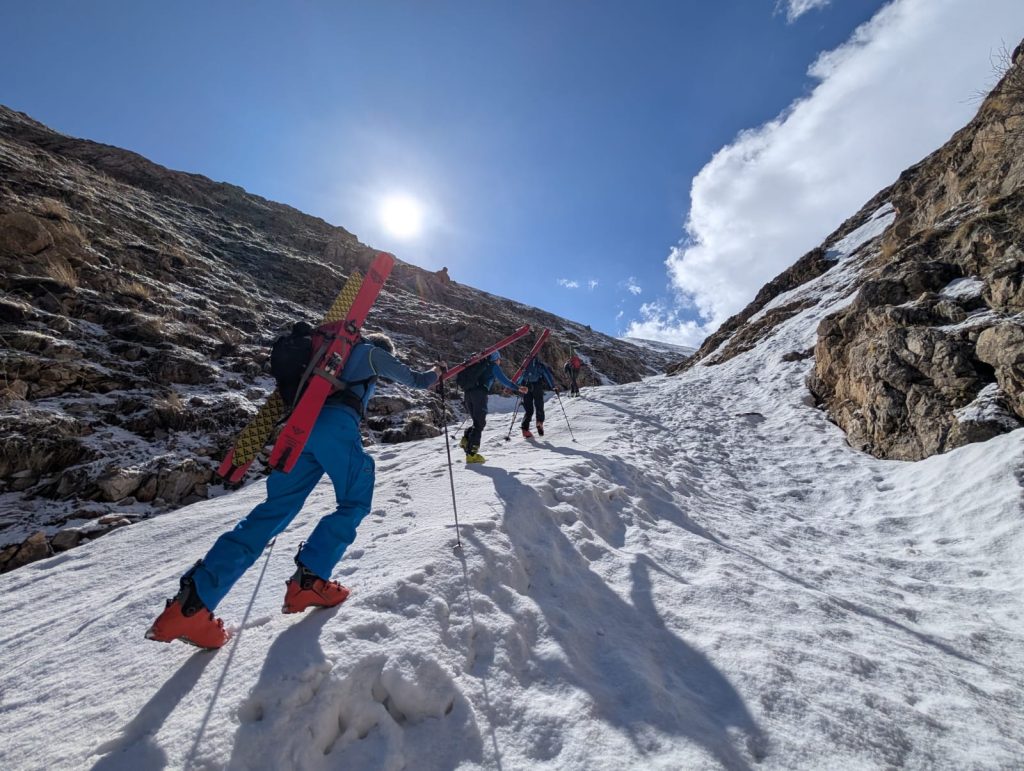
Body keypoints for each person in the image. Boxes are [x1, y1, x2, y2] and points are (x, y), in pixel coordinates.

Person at [146, 332, 442, 650]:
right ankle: (310, 581)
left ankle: (192, 603)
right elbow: (416, 380)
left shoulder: (326, 357)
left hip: (298, 430)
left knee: (272, 512)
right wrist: (436, 373)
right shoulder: (371, 352)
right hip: (335, 426)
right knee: (355, 499)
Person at [459, 351, 526, 464]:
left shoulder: (477, 365)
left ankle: (466, 440)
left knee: (476, 421)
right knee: (479, 424)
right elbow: (504, 380)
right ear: (496, 359)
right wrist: (518, 388)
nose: (500, 362)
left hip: (467, 394)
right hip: (479, 394)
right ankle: (471, 455)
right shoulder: (492, 366)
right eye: (499, 359)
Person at [516, 356, 556, 438]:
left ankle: (525, 429)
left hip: (526, 387)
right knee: (539, 405)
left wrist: (516, 387)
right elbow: (547, 374)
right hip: (537, 386)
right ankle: (539, 423)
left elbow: (520, 377)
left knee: (529, 409)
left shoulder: (525, 365)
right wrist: (553, 386)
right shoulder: (539, 364)